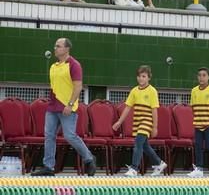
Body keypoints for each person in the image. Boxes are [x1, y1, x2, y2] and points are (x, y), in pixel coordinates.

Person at [32, 38, 97, 177]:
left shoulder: (74, 65)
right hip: (52, 107)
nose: (55, 48)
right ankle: (48, 167)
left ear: (67, 49)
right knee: (49, 136)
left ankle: (89, 159)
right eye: (55, 46)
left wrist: (70, 104)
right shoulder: (54, 67)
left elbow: (78, 87)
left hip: (67, 107)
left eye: (59, 46)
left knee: (70, 136)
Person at [112, 65, 168, 177]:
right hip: (137, 122)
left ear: (149, 78)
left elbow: (154, 110)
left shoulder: (152, 91)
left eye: (144, 76)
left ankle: (134, 168)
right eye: (139, 76)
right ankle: (159, 163)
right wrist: (119, 122)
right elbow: (127, 108)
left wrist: (155, 127)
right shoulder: (134, 91)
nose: (141, 78)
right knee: (145, 146)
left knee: (138, 143)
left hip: (147, 122)